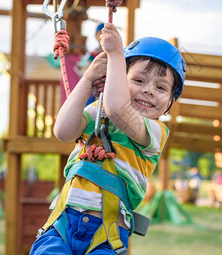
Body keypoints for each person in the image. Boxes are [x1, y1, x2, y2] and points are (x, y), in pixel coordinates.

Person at [30, 23, 186, 254]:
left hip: (107, 234)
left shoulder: (155, 132)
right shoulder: (98, 112)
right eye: (139, 81)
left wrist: (115, 55)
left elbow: (118, 110)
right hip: (61, 225)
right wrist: (88, 79)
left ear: (170, 102)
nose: (150, 90)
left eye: (161, 88)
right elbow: (63, 131)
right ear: (120, 80)